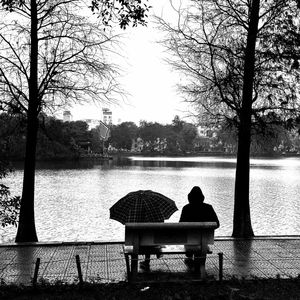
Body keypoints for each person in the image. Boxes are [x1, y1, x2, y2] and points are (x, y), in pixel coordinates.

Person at [179, 186, 220, 268]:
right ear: (202, 197)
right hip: (203, 241)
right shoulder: (208, 208)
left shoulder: (186, 208)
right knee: (202, 243)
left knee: (190, 239)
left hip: (189, 241)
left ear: (189, 197)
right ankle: (200, 265)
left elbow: (181, 225)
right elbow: (217, 224)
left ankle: (190, 259)